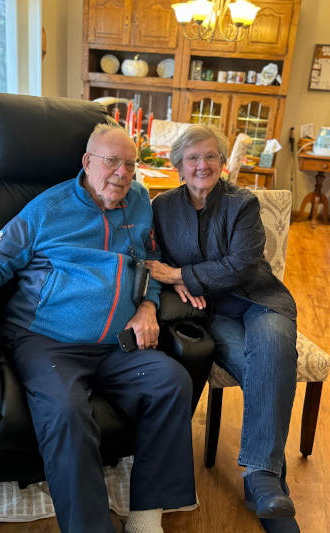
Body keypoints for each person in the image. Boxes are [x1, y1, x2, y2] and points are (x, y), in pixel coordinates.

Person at [0, 124, 198, 533]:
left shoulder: (140, 202)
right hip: (47, 341)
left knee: (171, 382)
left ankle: (145, 517)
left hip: (115, 344)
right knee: (67, 411)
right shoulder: (47, 209)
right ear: (87, 162)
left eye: (130, 164)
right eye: (111, 162)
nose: (121, 174)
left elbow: (150, 261)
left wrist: (147, 305)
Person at [146, 124, 299, 533]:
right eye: (192, 158)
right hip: (210, 314)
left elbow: (243, 265)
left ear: (222, 162)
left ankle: (259, 477)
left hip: (260, 301)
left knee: (277, 348)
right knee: (267, 372)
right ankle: (266, 485)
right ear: (178, 165)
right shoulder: (162, 207)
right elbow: (152, 262)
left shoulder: (242, 203)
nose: (202, 165)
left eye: (211, 156)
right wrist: (176, 280)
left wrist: (183, 275)